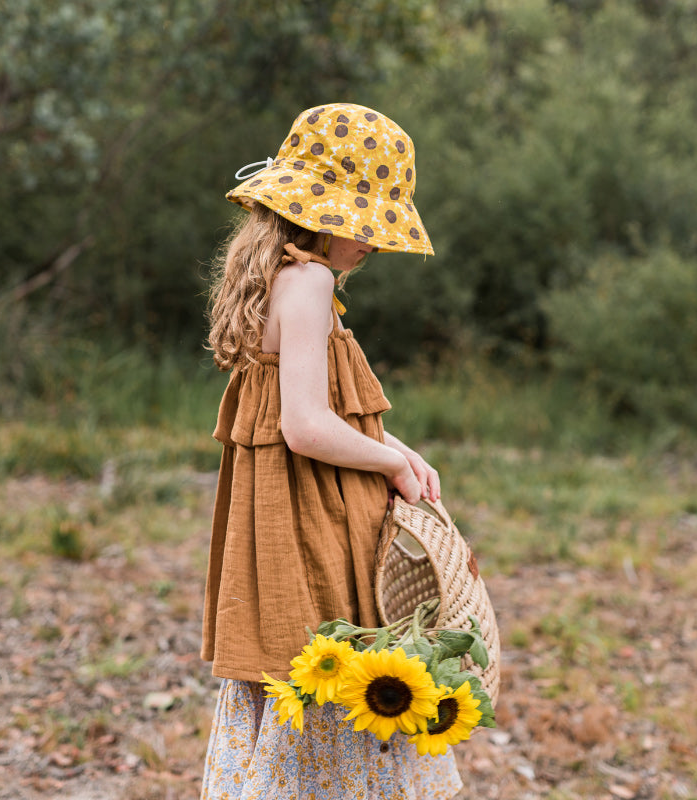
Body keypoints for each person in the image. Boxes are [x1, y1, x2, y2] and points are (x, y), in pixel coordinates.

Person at [200, 103, 462, 799]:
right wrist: (392, 463)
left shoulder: (274, 280)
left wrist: (396, 446)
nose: (375, 241)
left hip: (277, 526)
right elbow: (307, 428)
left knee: (287, 658)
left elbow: (325, 411)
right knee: (332, 657)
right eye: (369, 220)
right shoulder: (311, 283)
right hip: (314, 522)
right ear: (324, 212)